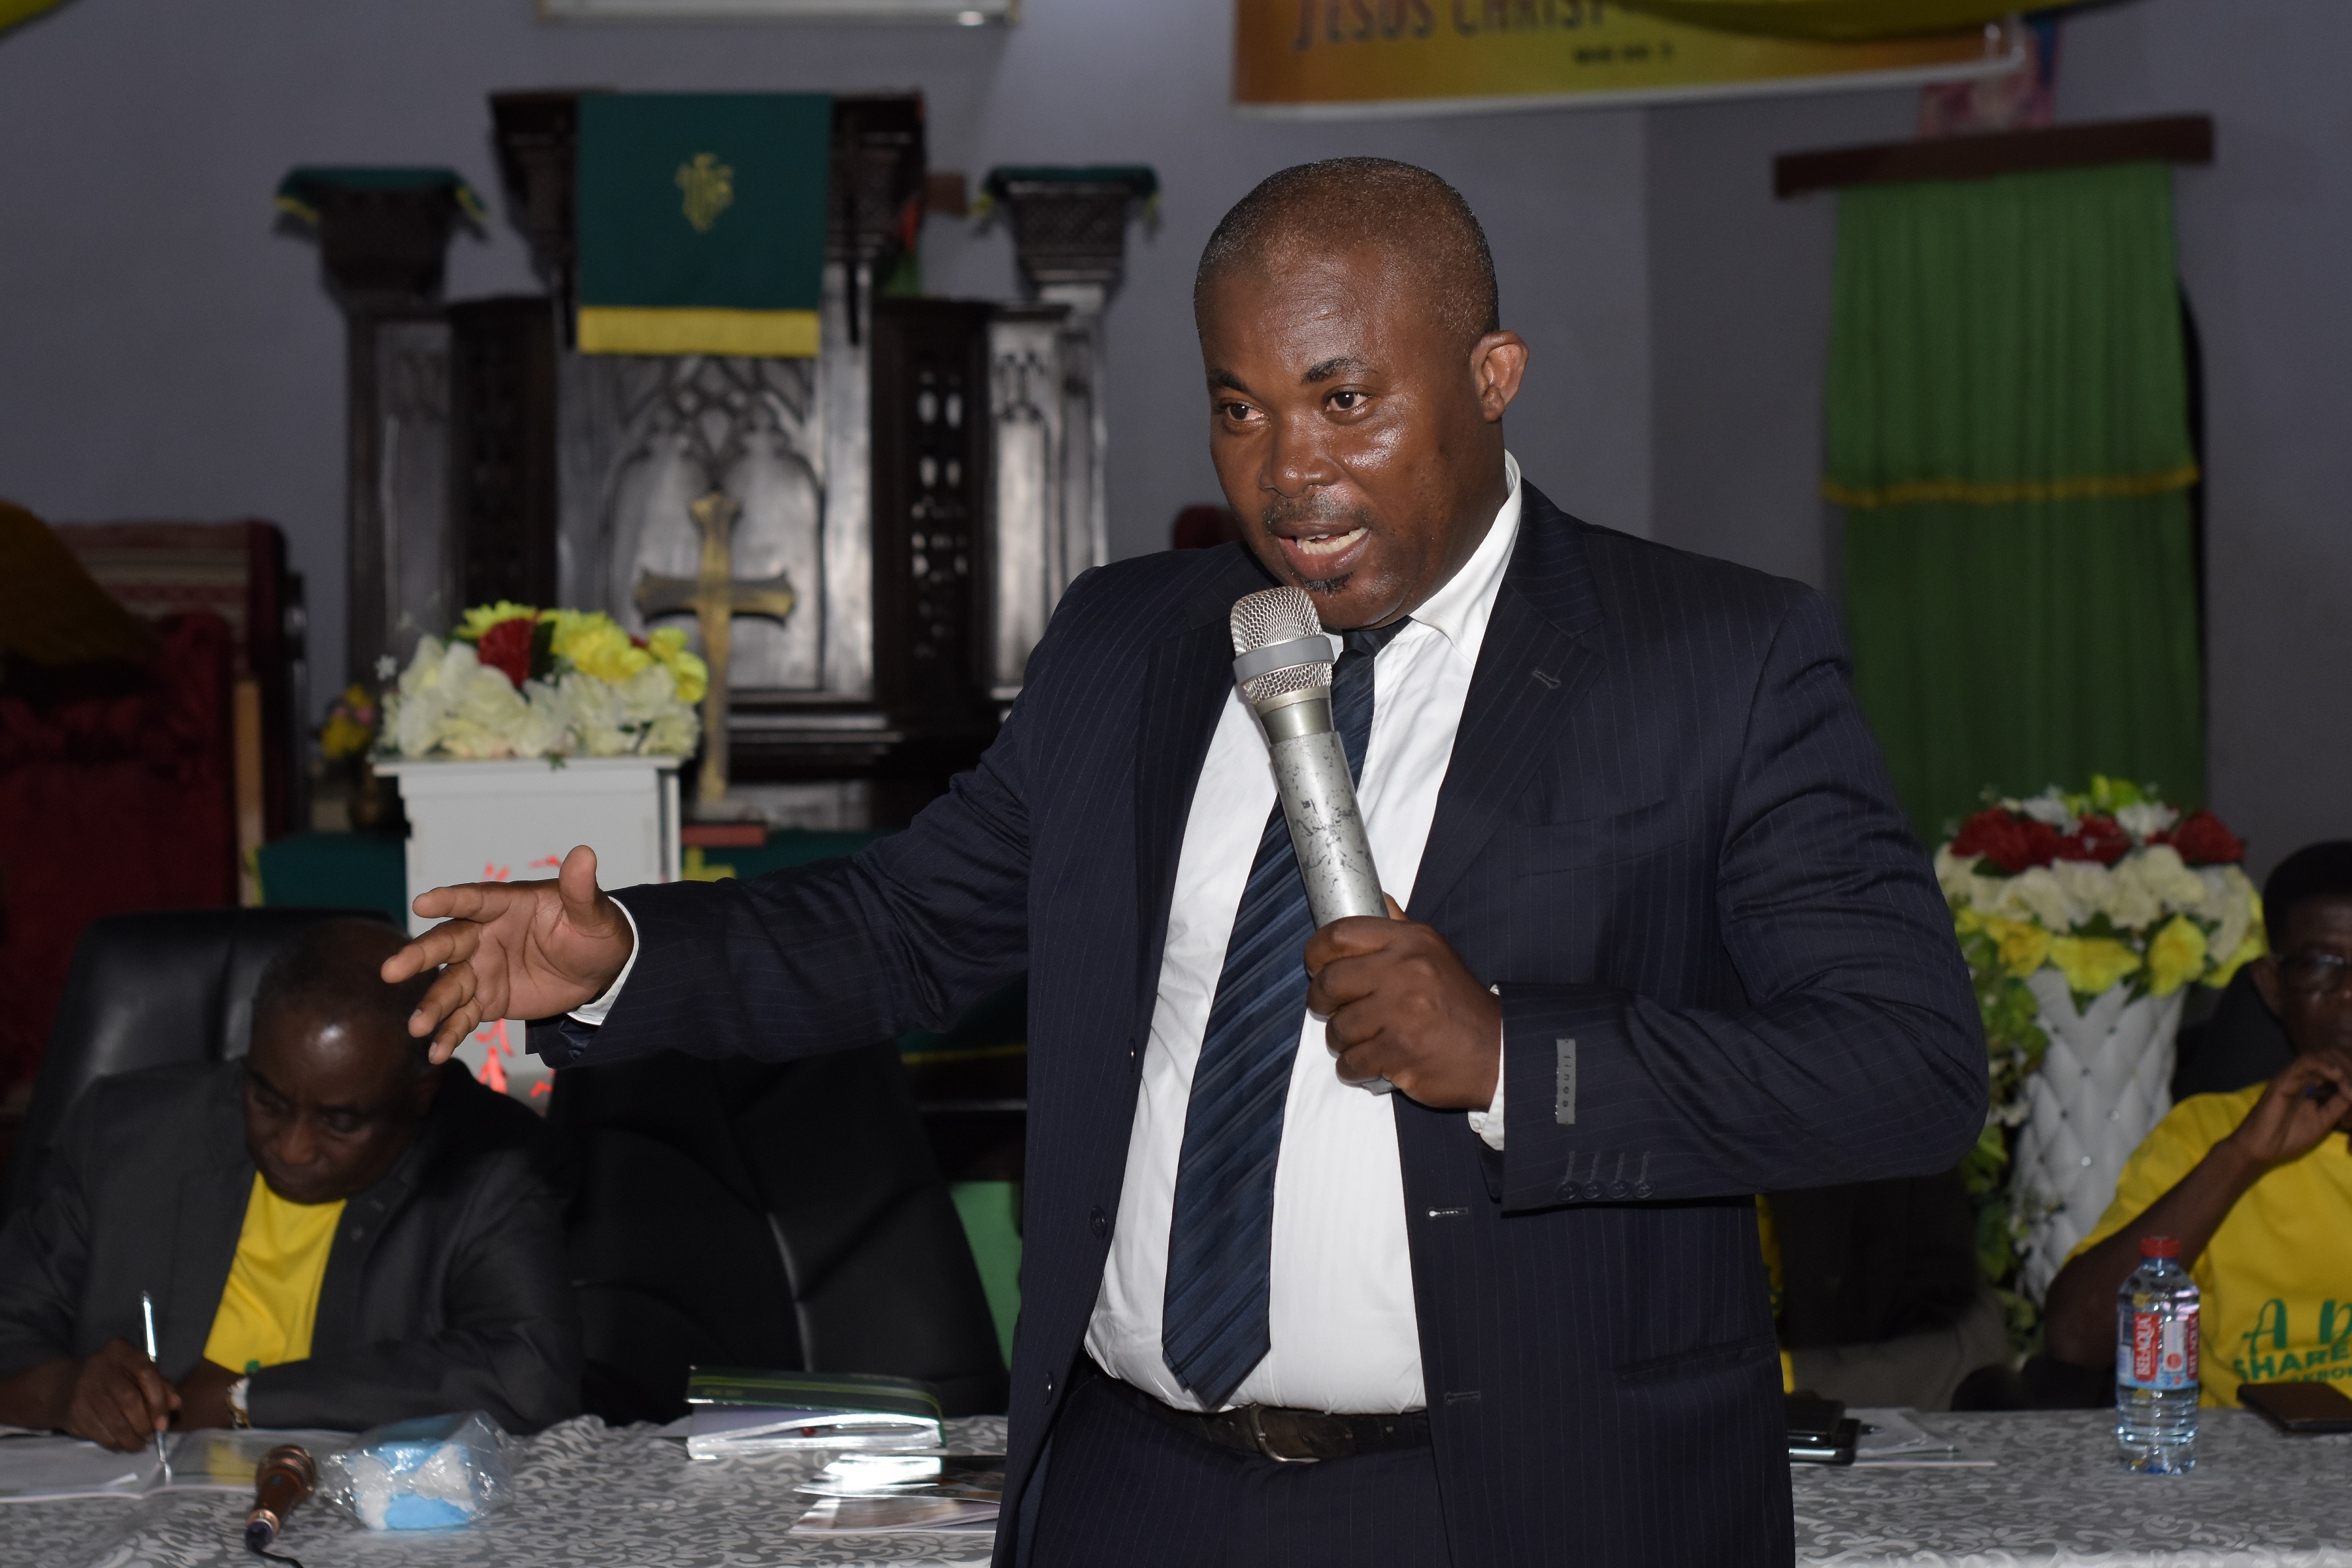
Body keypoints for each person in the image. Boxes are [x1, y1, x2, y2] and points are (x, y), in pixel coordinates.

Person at [386, 159, 1984, 1567]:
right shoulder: (1131, 642)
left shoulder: (1714, 661)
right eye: (1241, 408)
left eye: (1345, 401)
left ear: (1492, 376)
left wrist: (1513, 1056)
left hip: (1513, 1500)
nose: (1288, 476)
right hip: (1131, 1488)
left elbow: (1906, 1068)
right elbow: (912, 922)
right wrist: (629, 957)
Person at [0, 919, 581, 1448]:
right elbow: (12, 1326)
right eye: (268, 1100)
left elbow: (530, 1377)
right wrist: (64, 1389)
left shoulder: (491, 1167)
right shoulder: (122, 1136)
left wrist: (246, 1401)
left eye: (340, 1121)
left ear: (420, 1093)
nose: (293, 1148)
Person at [2044, 841, 2352, 1403]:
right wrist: (2242, 1158)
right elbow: (2076, 1338)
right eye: (2321, 967)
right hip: (2252, 1453)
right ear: (2273, 986)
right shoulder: (2208, 1132)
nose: (2350, 993)